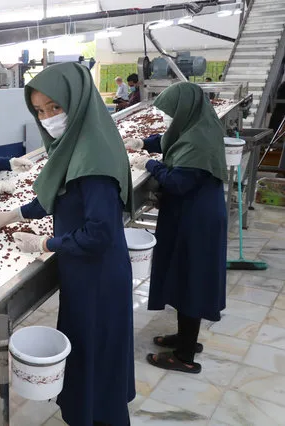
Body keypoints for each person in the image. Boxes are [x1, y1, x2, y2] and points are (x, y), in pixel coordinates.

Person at [0, 63, 134, 426]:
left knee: (98, 362)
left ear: (76, 100)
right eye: (39, 111)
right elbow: (59, 192)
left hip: (98, 276)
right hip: (82, 271)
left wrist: (45, 244)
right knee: (86, 354)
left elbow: (99, 233)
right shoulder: (78, 143)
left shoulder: (94, 157)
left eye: (54, 107)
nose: (47, 117)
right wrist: (16, 214)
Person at [126, 82, 227, 374]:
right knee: (184, 277)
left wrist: (149, 165)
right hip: (190, 215)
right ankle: (185, 337)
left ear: (184, 110)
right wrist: (143, 144)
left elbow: (178, 183)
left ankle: (184, 356)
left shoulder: (199, 141)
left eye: (171, 113)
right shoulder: (197, 125)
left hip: (197, 221)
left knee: (191, 282)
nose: (168, 119)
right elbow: (170, 139)